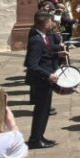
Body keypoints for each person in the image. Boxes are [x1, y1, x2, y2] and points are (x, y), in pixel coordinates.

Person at [24, 11, 61, 149]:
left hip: (45, 81)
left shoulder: (42, 37)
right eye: (51, 21)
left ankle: (39, 136)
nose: (52, 23)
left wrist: (57, 53)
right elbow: (31, 64)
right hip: (41, 81)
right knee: (41, 110)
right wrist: (48, 75)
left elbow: (46, 52)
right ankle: (35, 139)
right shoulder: (36, 40)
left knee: (44, 111)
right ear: (45, 23)